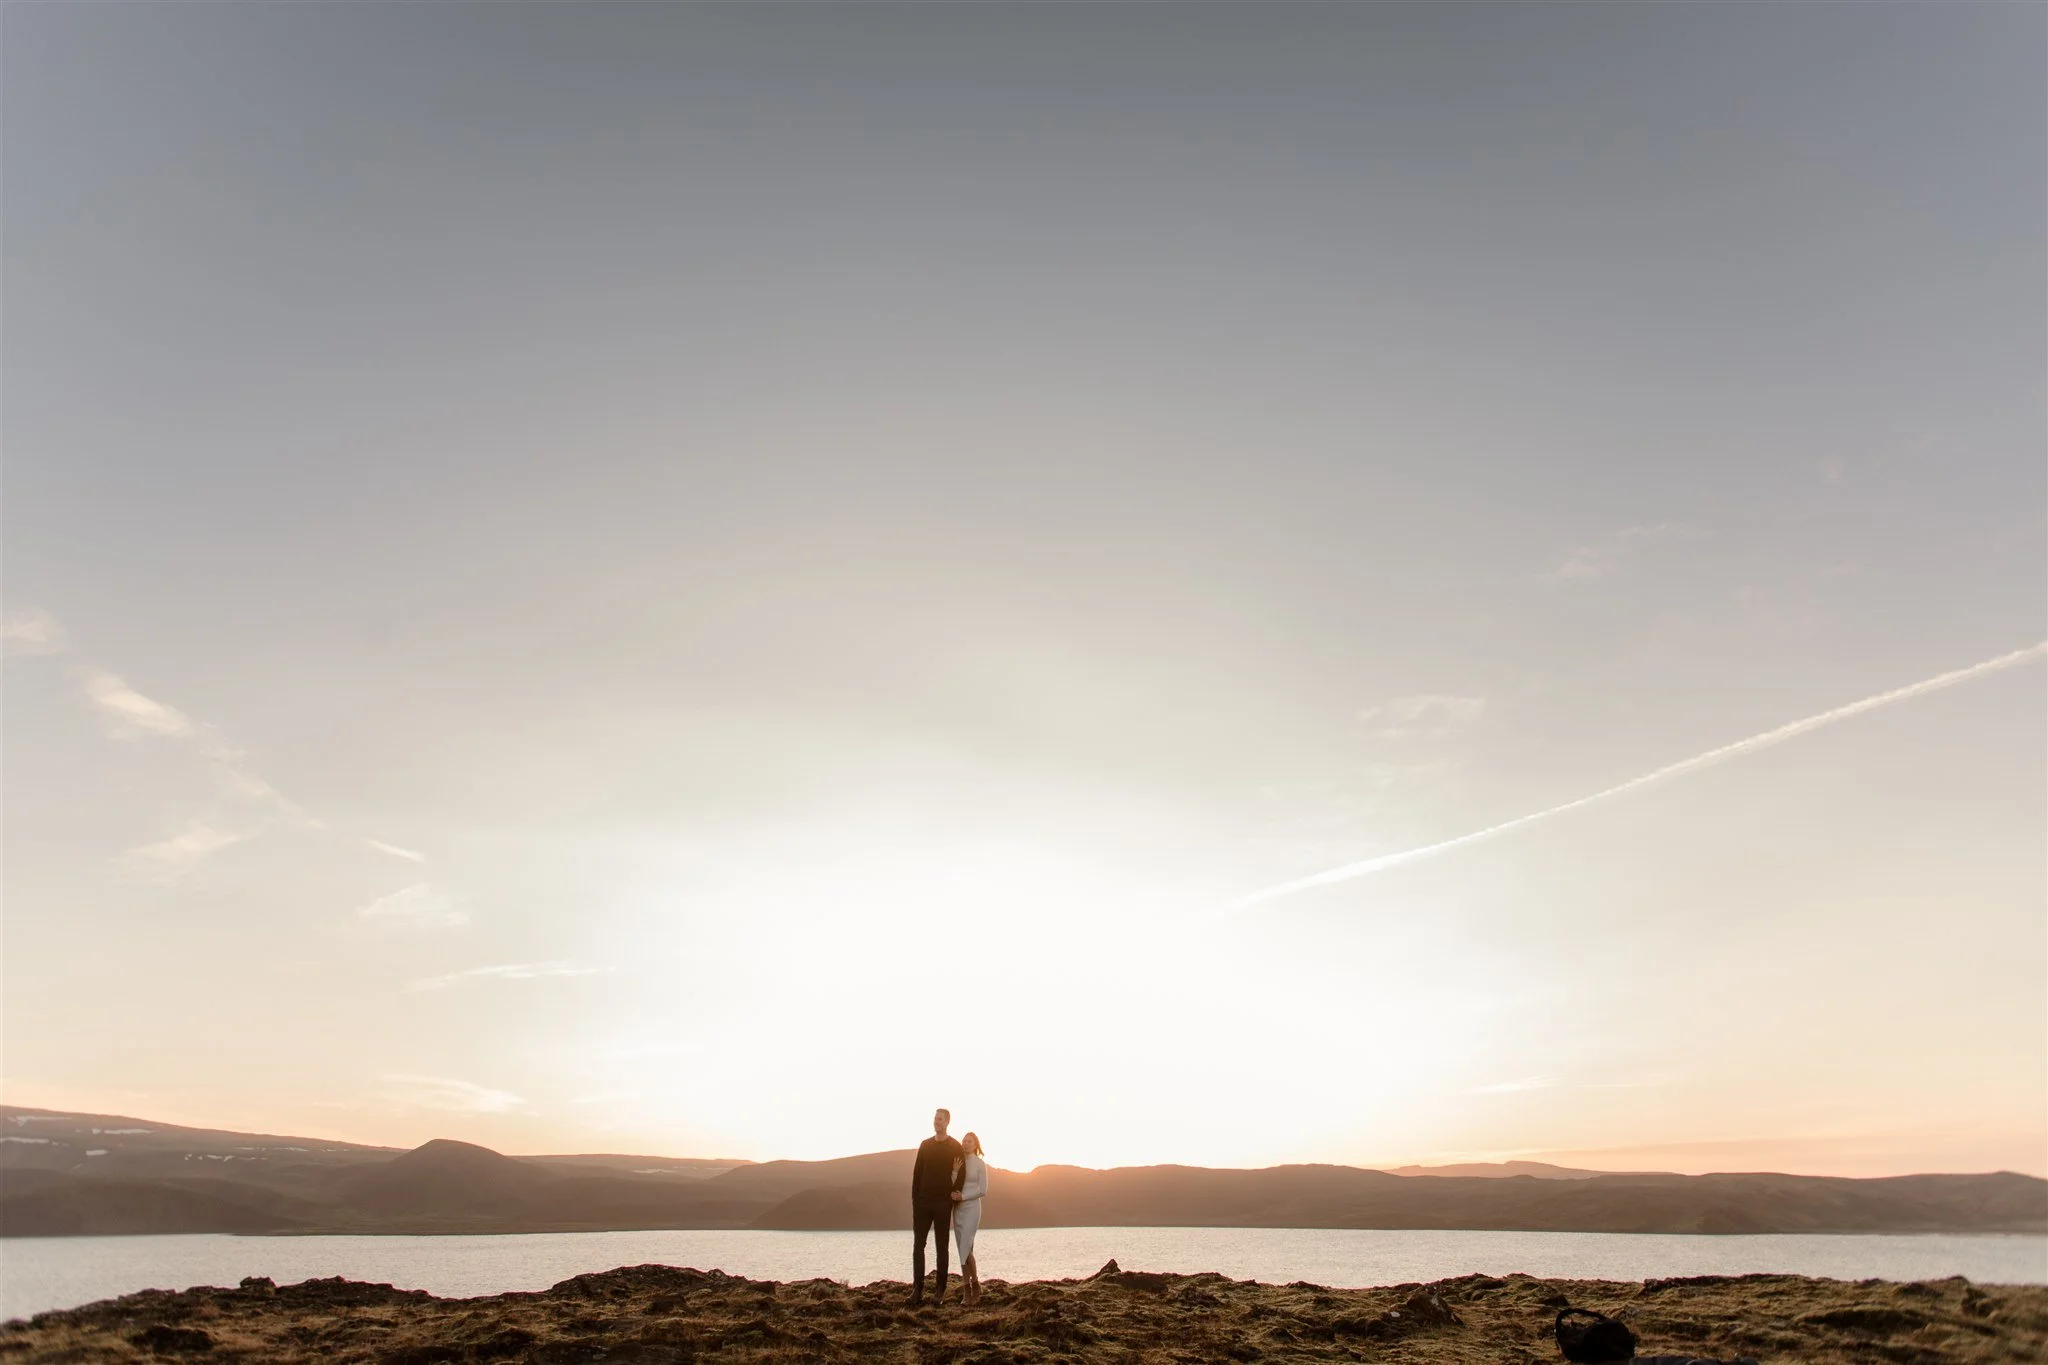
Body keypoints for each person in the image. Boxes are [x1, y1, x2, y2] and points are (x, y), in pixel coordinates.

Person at [908, 1107, 964, 1307]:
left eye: (940, 1119)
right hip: (923, 1202)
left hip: (942, 1203)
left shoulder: (955, 1147)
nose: (936, 1122)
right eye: (935, 1118)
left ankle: (940, 1290)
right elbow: (917, 1174)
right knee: (918, 1246)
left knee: (942, 1247)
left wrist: (954, 1192)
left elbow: (962, 1172)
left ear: (947, 1122)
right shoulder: (925, 1145)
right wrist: (915, 1200)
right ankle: (917, 1290)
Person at [951, 1131, 988, 1306]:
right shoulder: (958, 1161)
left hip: (972, 1208)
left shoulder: (980, 1164)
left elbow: (983, 1190)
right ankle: (967, 1291)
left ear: (975, 1144)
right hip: (958, 1209)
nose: (965, 1143)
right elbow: (952, 1184)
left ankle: (976, 1285)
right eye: (964, 1141)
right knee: (963, 1251)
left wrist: (964, 1197)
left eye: (969, 1141)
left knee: (966, 1245)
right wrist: (954, 1171)